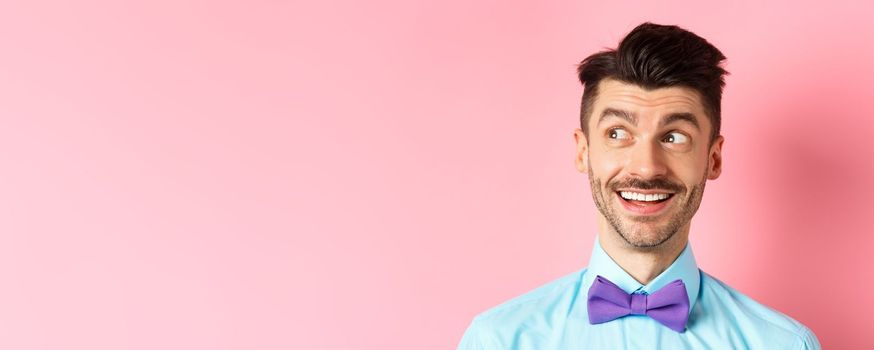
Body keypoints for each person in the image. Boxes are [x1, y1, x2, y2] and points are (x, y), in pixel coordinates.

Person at [457, 22, 821, 349]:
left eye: (675, 137)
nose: (646, 166)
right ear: (584, 151)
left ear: (713, 158)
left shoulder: (784, 344)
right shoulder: (499, 340)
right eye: (618, 133)